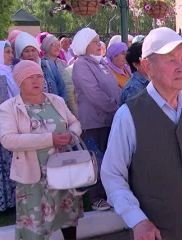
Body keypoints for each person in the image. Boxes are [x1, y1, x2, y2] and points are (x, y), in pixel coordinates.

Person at [101, 27, 182, 239]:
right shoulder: (128, 115)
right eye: (171, 60)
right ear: (148, 66)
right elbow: (112, 175)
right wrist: (138, 220)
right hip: (156, 233)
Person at [0, 60, 83, 240]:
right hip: (34, 177)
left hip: (63, 169)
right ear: (19, 81)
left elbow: (75, 122)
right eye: (30, 78)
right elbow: (8, 140)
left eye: (39, 76)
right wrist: (50, 139)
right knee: (36, 225)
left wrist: (71, 134)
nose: (36, 81)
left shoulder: (57, 101)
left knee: (67, 215)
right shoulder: (9, 108)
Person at [71, 28, 121, 211]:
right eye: (95, 41)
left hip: (110, 119)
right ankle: (96, 197)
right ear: (84, 45)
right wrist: (116, 108)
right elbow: (94, 94)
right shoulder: (81, 65)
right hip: (94, 121)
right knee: (96, 159)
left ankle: (111, 193)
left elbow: (114, 89)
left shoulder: (100, 63)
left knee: (110, 158)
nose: (99, 44)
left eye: (99, 41)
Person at [0, 41, 18, 213]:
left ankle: (14, 201)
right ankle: (0, 204)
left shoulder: (10, 72)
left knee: (12, 165)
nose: (11, 55)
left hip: (13, 126)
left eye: (10, 52)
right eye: (7, 52)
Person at [15, 32, 67, 100]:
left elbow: (61, 89)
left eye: (33, 50)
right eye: (26, 51)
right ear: (21, 54)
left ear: (37, 52)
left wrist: (61, 106)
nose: (31, 54)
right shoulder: (17, 72)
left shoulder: (49, 66)